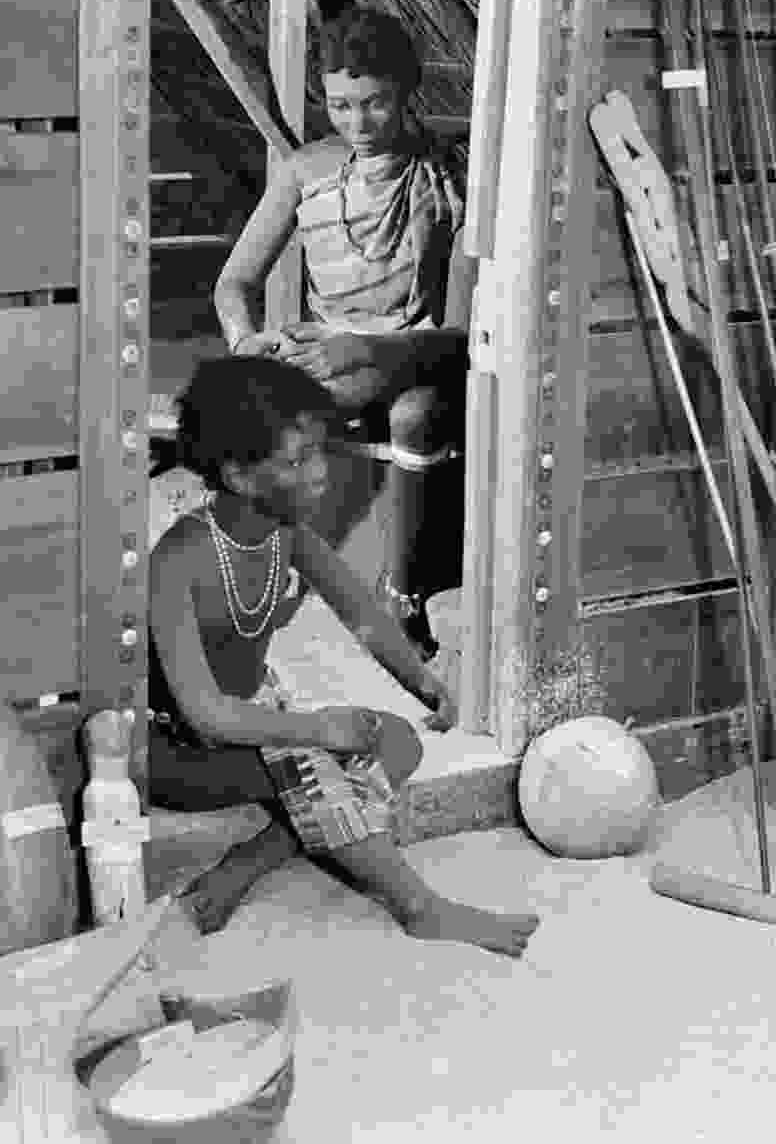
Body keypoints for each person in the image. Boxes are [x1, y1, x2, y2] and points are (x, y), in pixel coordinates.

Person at [148, 355, 540, 958]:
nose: (321, 474)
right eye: (297, 461)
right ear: (239, 475)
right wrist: (317, 728)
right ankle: (420, 907)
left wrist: (425, 685)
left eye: (320, 452)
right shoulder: (178, 558)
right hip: (179, 751)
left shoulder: (287, 536)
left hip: (254, 726)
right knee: (316, 765)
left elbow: (362, 617)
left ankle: (242, 868)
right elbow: (206, 714)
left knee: (397, 743)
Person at [213, 6, 472, 657]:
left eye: (375, 103)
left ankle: (404, 596)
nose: (358, 122)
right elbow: (233, 284)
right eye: (341, 105)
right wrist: (246, 342)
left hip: (412, 353)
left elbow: (462, 335)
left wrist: (368, 347)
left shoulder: (446, 175)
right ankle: (257, 577)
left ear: (407, 91)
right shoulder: (306, 171)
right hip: (328, 354)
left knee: (416, 414)